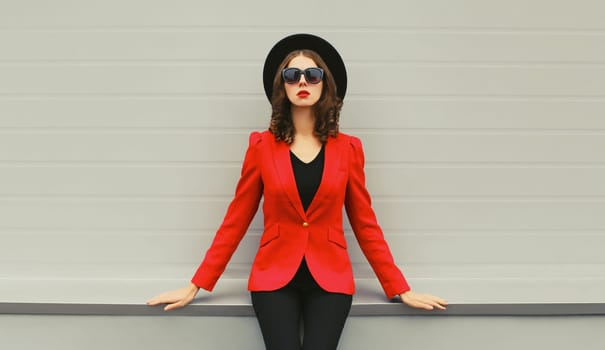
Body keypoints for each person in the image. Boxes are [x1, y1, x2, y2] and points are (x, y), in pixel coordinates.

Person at [147, 33, 447, 350]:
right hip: (273, 276)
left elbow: (365, 223)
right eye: (292, 75)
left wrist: (399, 287)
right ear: (283, 86)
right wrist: (197, 285)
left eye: (312, 74)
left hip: (330, 277)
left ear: (325, 84)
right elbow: (235, 220)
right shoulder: (261, 147)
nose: (302, 81)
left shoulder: (348, 149)